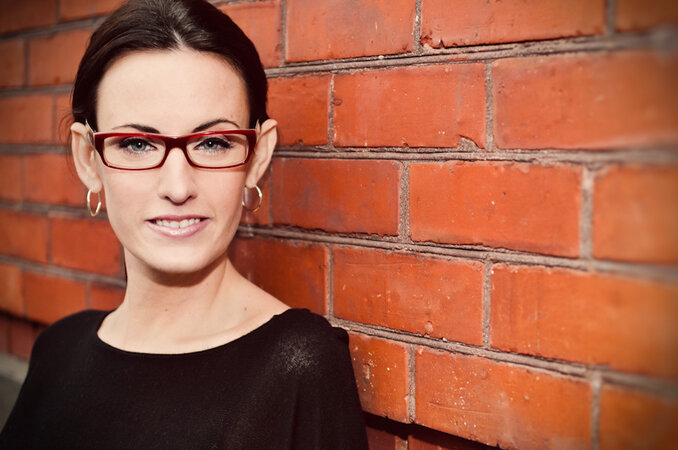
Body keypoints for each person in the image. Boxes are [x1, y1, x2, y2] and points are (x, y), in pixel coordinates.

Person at [0, 0, 368, 448]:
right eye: (137, 144)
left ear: (257, 158)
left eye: (213, 142)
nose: (178, 187)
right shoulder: (57, 349)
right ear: (88, 159)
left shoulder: (299, 366)